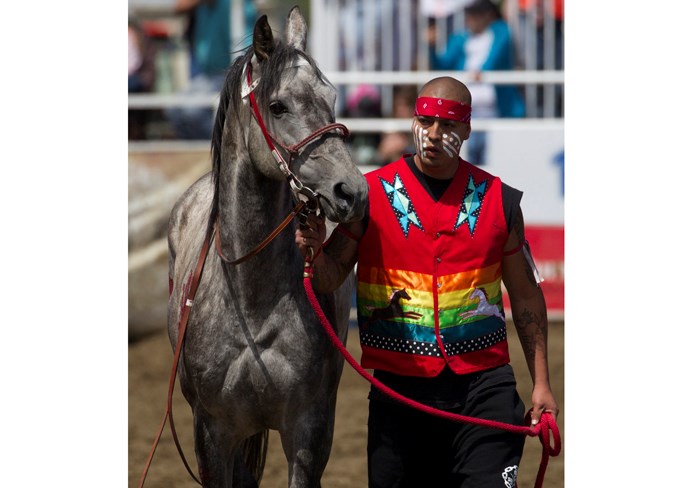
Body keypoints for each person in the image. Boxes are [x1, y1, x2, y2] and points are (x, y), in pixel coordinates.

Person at [296, 76, 558, 487]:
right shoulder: (371, 195)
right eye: (426, 121)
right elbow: (328, 279)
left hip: (483, 391)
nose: (434, 135)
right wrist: (313, 250)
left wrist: (541, 384)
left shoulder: (500, 201)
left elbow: (526, 295)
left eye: (449, 125)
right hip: (398, 396)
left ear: (467, 129)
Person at [429, 0, 525, 165]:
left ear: (487, 15)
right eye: (469, 14)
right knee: (469, 158)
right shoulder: (460, 38)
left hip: (497, 110)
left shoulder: (501, 31)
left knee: (497, 161)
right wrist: (430, 46)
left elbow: (495, 57)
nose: (470, 18)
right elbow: (443, 64)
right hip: (466, 110)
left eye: (475, 14)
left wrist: (482, 72)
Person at [166, 0, 257, 139]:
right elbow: (178, 7)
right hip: (209, 76)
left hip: (232, 75)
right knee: (174, 109)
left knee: (193, 111)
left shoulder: (236, 5)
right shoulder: (203, 9)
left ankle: (226, 143)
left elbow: (247, 46)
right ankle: (203, 149)